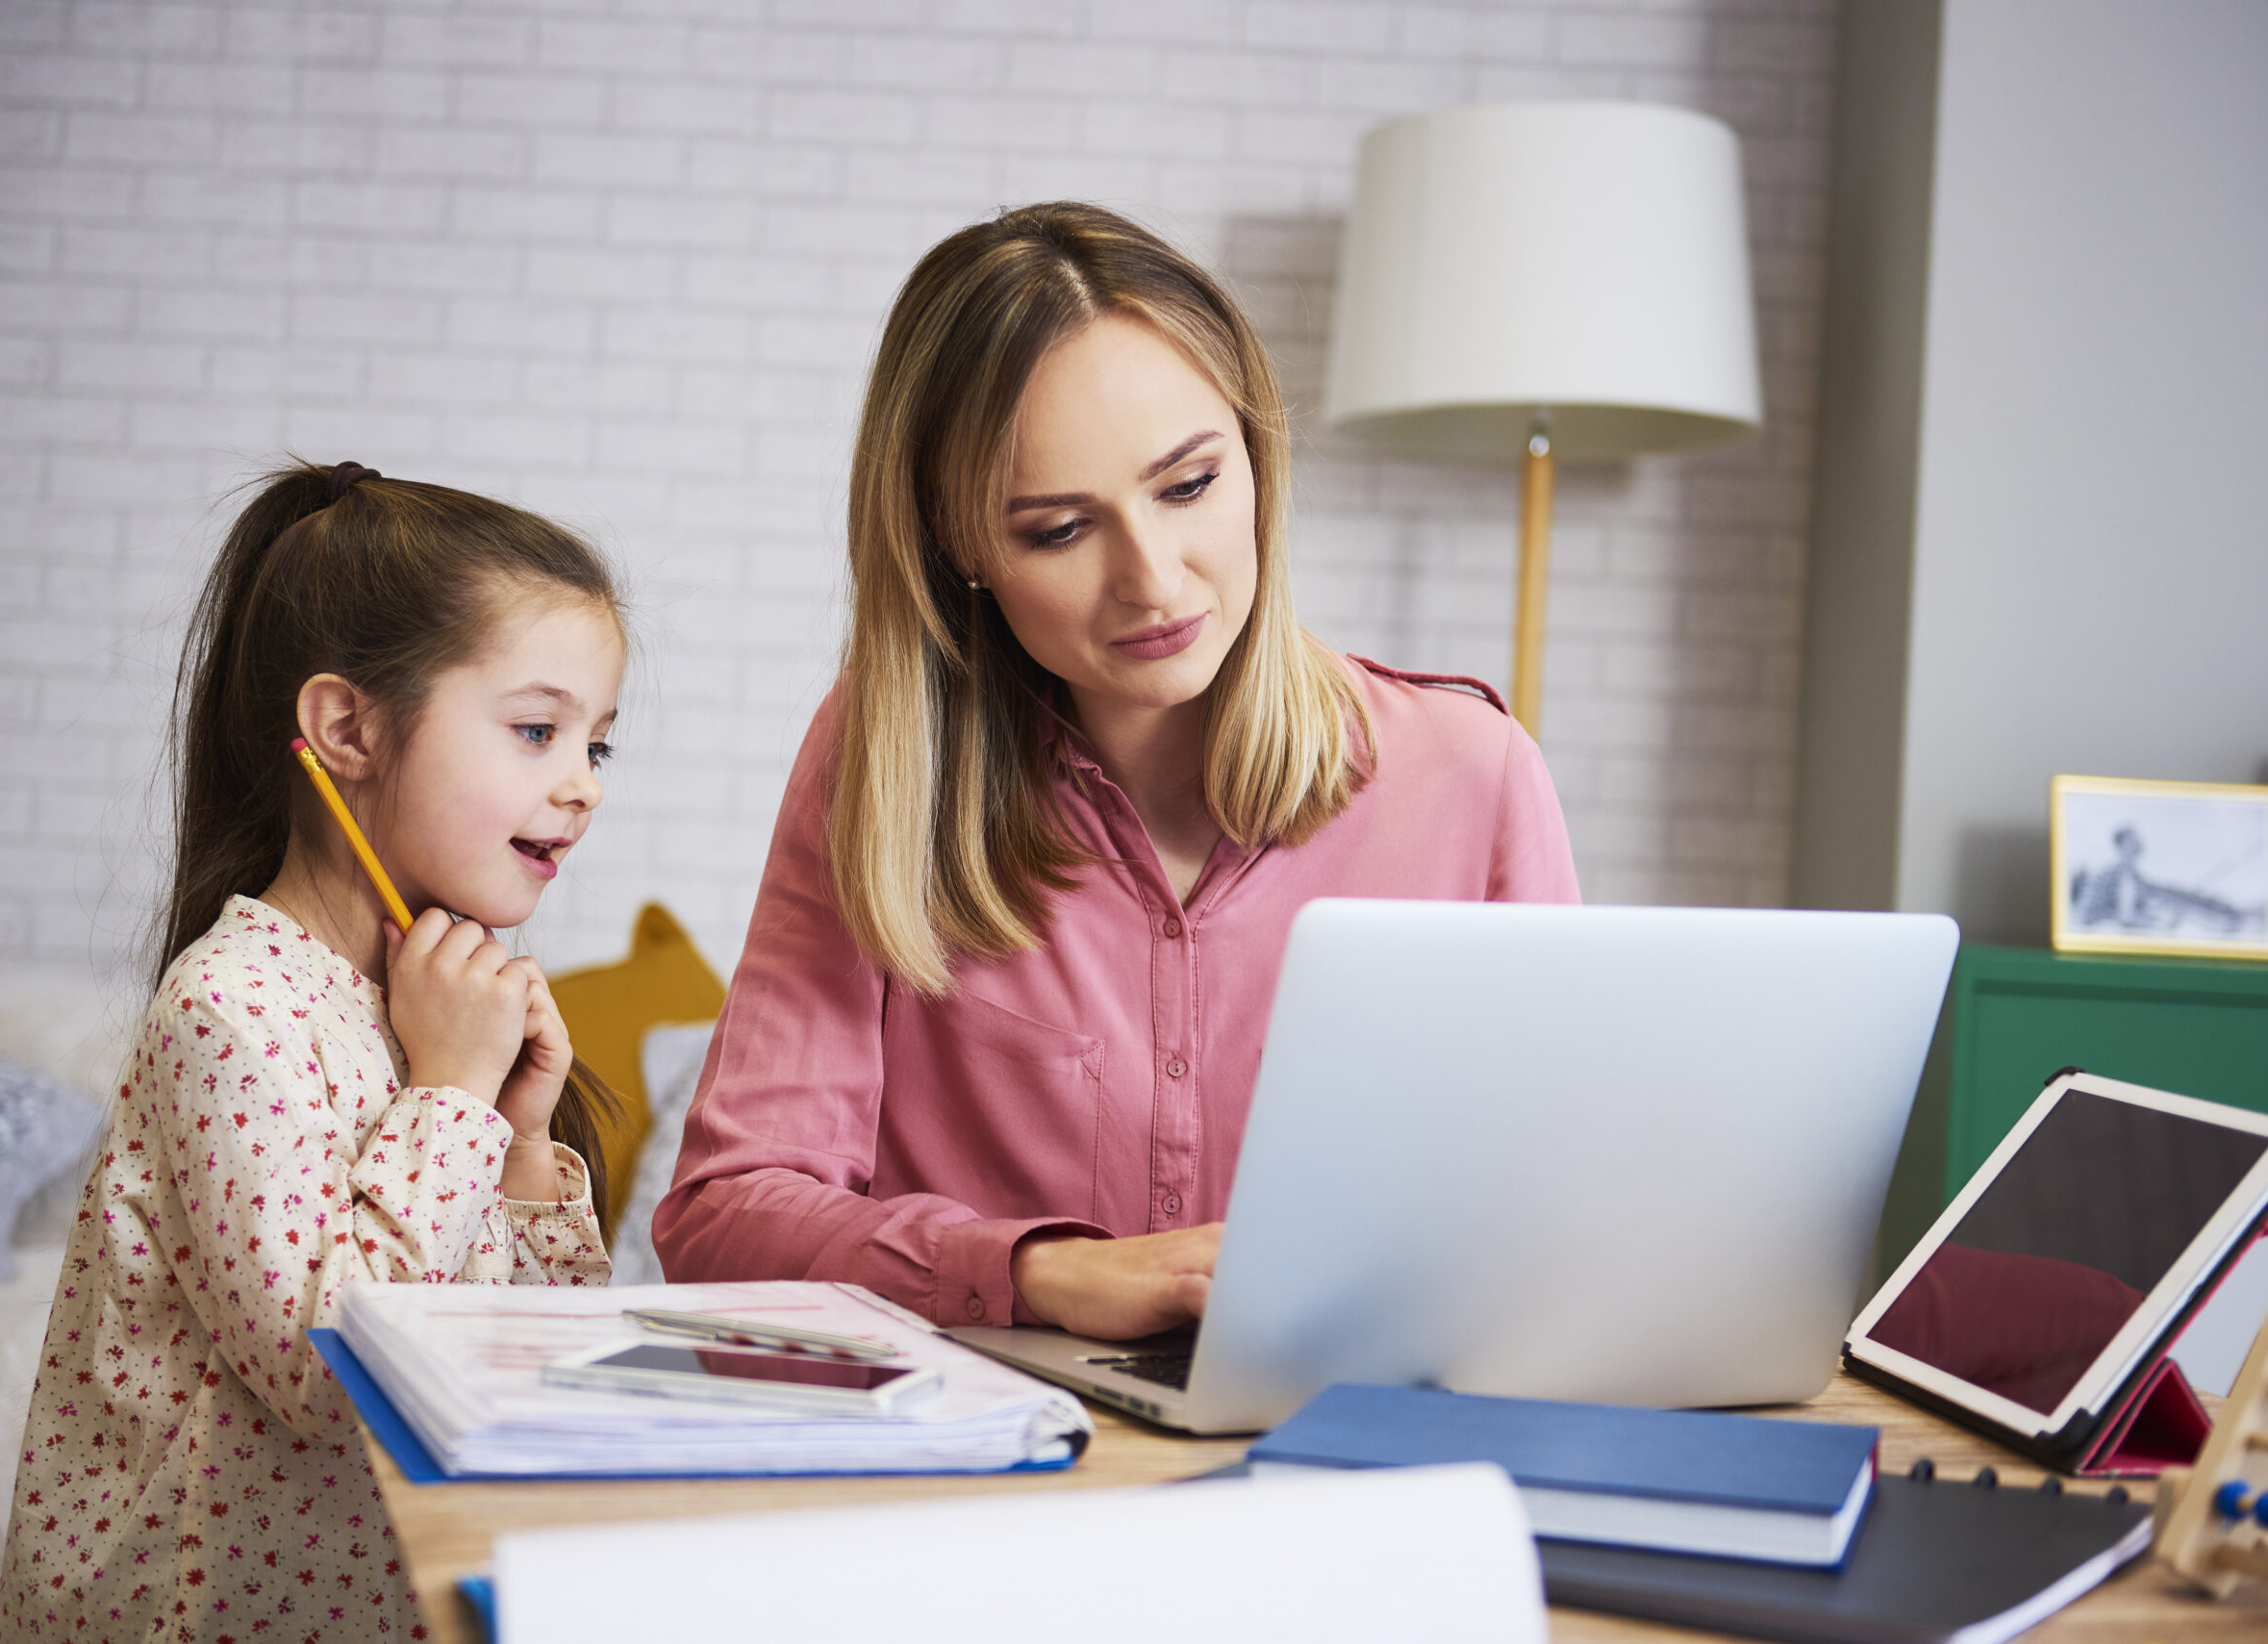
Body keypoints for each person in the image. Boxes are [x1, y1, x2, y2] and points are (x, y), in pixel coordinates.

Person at [655, 203, 1580, 1343]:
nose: (1152, 581)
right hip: (984, 1474)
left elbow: (1557, 1219)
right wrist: (1039, 1273)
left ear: (1256, 459)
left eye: (1188, 486)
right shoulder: (883, 760)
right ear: (962, 549)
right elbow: (724, 1213)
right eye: (1057, 529)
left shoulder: (1471, 774)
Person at [0, 461, 623, 1644]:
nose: (581, 786)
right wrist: (447, 1096)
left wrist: (523, 1134)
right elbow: (322, 1376)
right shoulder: (231, 1006)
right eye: (538, 729)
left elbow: (528, 1374)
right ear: (347, 728)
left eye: (599, 745)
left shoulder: (441, 1007)